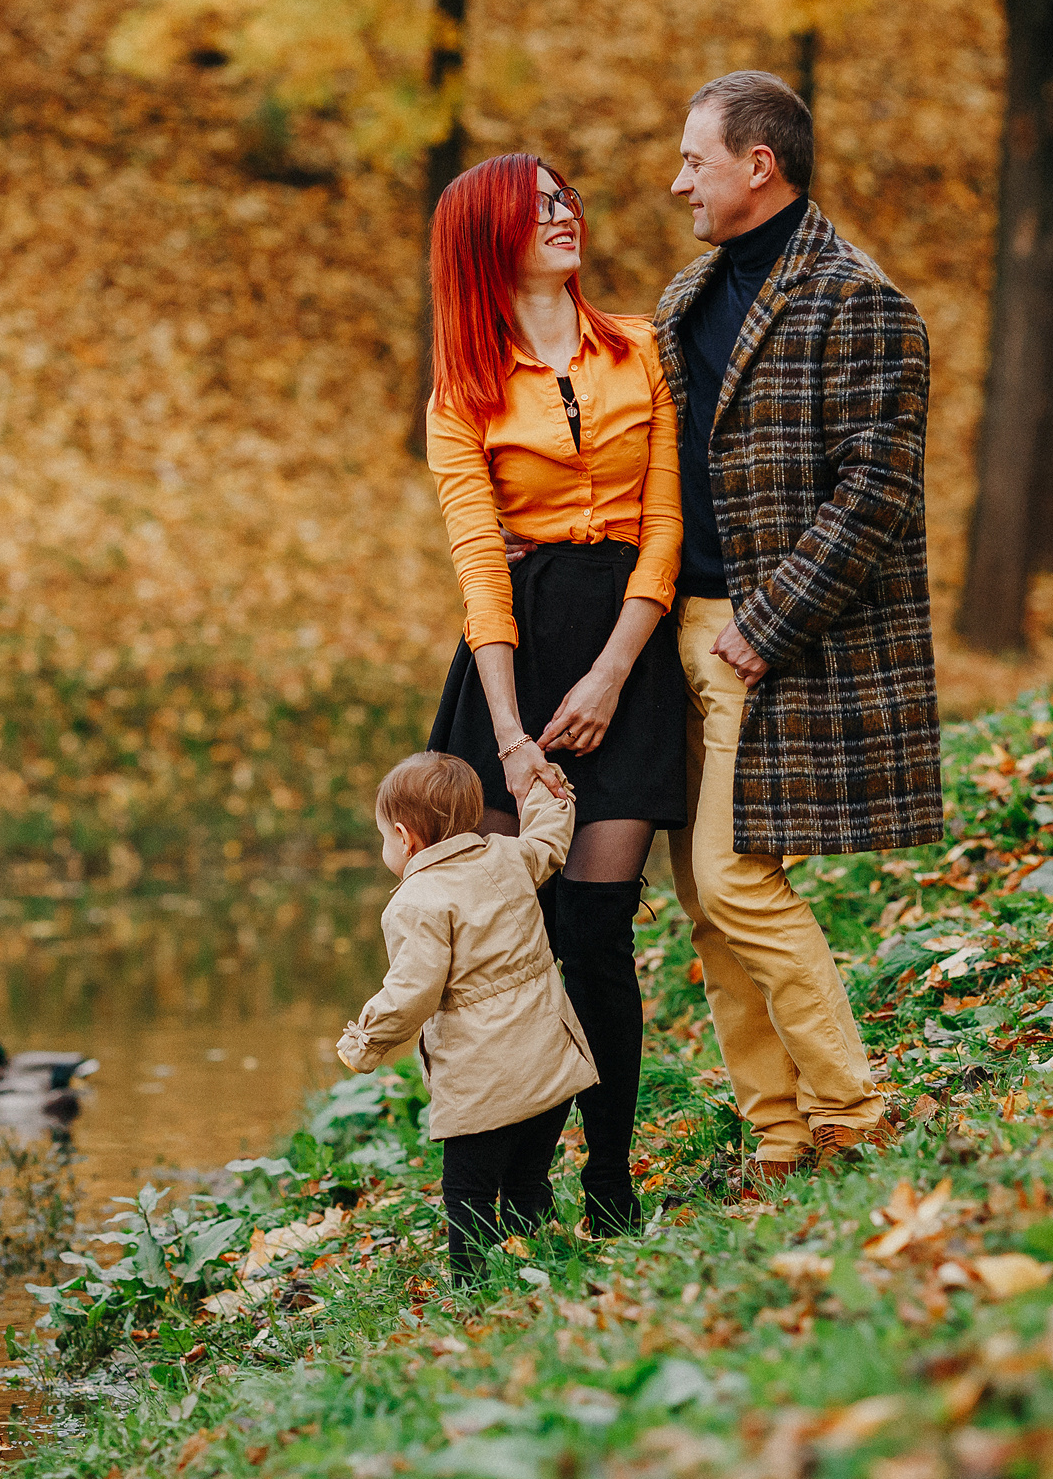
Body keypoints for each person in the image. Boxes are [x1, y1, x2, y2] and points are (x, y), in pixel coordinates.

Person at [652, 70, 944, 1182]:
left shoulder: (860, 301)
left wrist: (766, 625)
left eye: (696, 160)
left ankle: (854, 1110)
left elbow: (877, 491)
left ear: (758, 165)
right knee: (704, 902)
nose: (679, 181)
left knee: (736, 879)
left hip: (767, 643)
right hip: (678, 632)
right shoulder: (686, 298)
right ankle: (778, 1131)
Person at [421, 153, 688, 1234]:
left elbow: (665, 527)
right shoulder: (464, 392)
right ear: (488, 239)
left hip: (627, 650)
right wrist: (511, 738)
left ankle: (610, 1185)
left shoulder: (644, 349)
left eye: (563, 198)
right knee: (503, 937)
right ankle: (505, 1191)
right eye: (534, 209)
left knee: (596, 934)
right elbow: (480, 566)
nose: (561, 214)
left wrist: (613, 673)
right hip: (513, 666)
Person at [336, 752, 597, 1283]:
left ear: (405, 838)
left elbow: (412, 991)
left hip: (484, 1081)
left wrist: (366, 1041)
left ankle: (473, 1287)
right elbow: (548, 839)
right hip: (548, 1064)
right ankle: (538, 1263)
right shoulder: (507, 856)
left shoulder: (416, 902)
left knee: (468, 1192)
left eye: (384, 836)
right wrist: (546, 789)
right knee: (526, 1178)